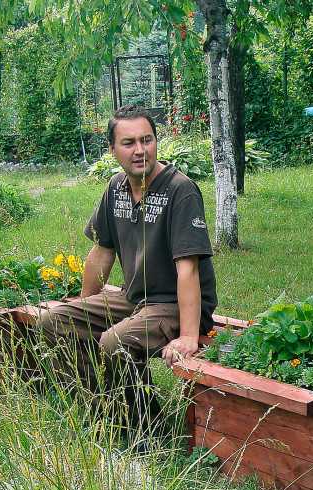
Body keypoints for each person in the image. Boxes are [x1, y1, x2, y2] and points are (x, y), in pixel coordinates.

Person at [38, 104, 217, 436]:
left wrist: (190, 335)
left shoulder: (180, 190)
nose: (140, 150)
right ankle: (101, 408)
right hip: (134, 298)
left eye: (146, 140)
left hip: (175, 305)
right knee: (53, 321)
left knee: (112, 343)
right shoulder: (116, 188)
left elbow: (188, 270)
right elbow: (101, 254)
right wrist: (84, 307)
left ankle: (149, 430)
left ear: (156, 142)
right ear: (112, 149)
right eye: (129, 142)